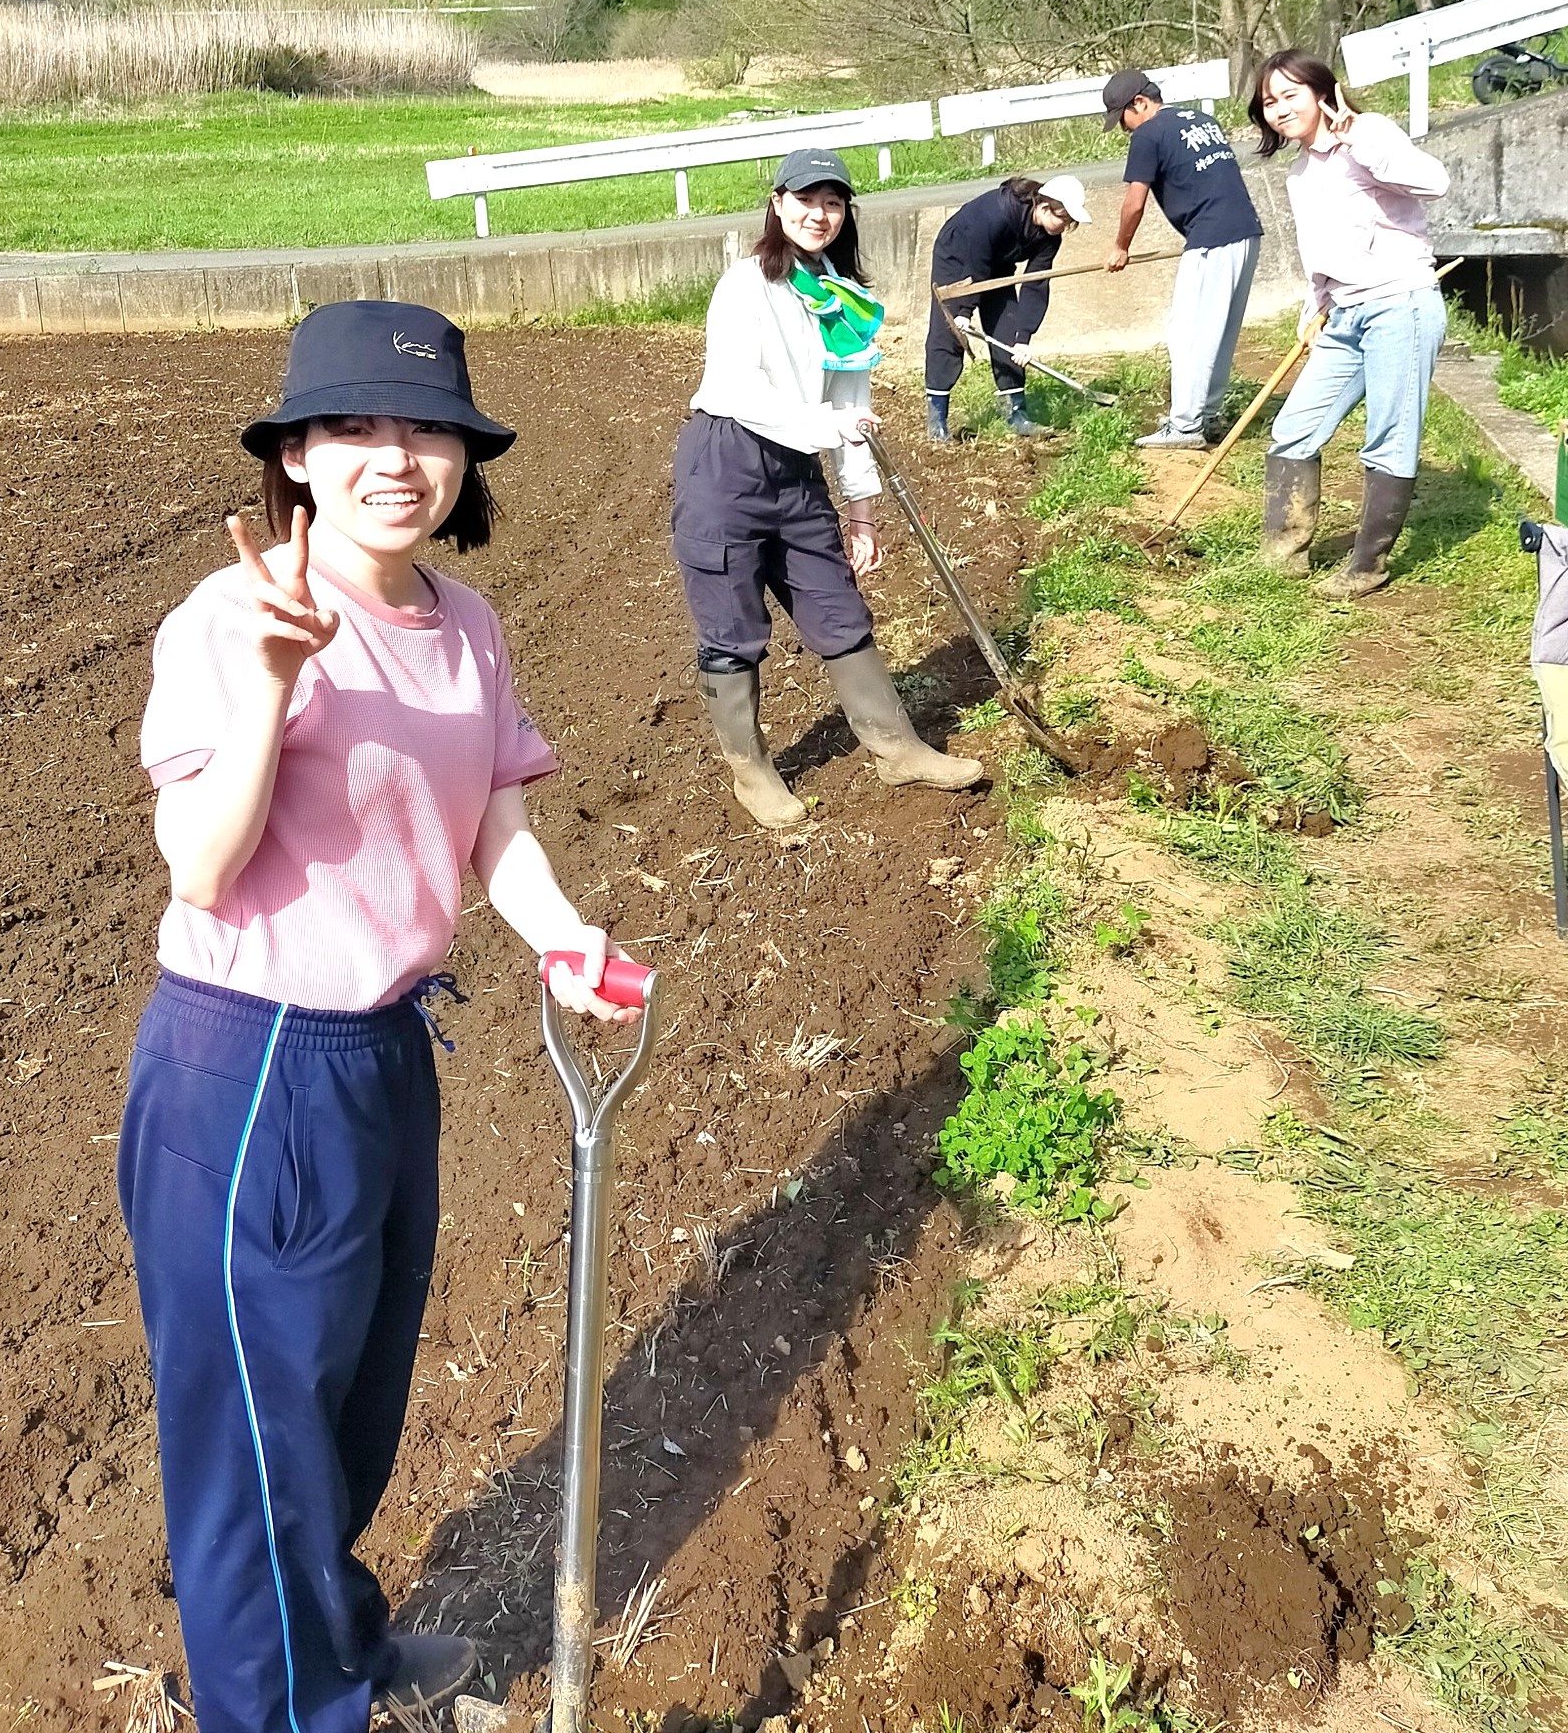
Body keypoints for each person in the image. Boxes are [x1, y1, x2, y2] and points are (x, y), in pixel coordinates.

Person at [118, 301, 629, 1733]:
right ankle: (288, 1714)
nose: (396, 458)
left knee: (345, 1415)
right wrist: (280, 684)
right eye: (354, 429)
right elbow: (204, 871)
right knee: (254, 1451)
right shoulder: (233, 619)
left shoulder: (464, 625)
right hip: (255, 1063)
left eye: (428, 431)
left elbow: (494, 828)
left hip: (388, 1050)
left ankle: (330, 1648)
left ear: (465, 457)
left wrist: (561, 934)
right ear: (293, 454)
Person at [675, 146, 984, 829]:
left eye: (833, 202)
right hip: (726, 464)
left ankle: (895, 747)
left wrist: (863, 514)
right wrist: (824, 422)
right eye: (806, 199)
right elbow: (734, 388)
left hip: (796, 467)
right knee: (732, 627)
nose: (819, 214)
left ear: (846, 213)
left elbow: (855, 413)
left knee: (837, 608)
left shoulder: (845, 301)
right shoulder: (746, 284)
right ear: (778, 203)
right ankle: (752, 773)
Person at [1248, 50, 1451, 595]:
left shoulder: (1370, 135)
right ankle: (1284, 552)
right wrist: (1314, 303)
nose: (1280, 109)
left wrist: (1358, 138)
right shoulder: (1300, 171)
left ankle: (1367, 568)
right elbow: (1320, 246)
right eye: (1270, 102)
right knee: (1293, 429)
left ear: (1322, 93)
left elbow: (1434, 181)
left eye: (1291, 95)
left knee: (1389, 436)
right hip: (1346, 312)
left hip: (1400, 304)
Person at [1102, 69, 1263, 448]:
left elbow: (1134, 202)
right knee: (1219, 331)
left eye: (1121, 117)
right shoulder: (1201, 119)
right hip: (1246, 232)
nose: (1124, 129)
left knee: (1188, 333)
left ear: (1139, 103)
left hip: (1211, 238)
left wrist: (1121, 246)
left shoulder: (1148, 133)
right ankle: (1205, 413)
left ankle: (1186, 426)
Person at [923, 174, 1093, 441]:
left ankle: (1016, 415)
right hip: (958, 254)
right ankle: (937, 422)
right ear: (1045, 207)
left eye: (1071, 222)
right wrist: (964, 311)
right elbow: (976, 263)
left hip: (998, 264)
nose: (1066, 226)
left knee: (1008, 331)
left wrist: (1023, 337)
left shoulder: (1050, 237)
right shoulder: (1000, 211)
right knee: (948, 336)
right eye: (1064, 219)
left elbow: (1036, 282)